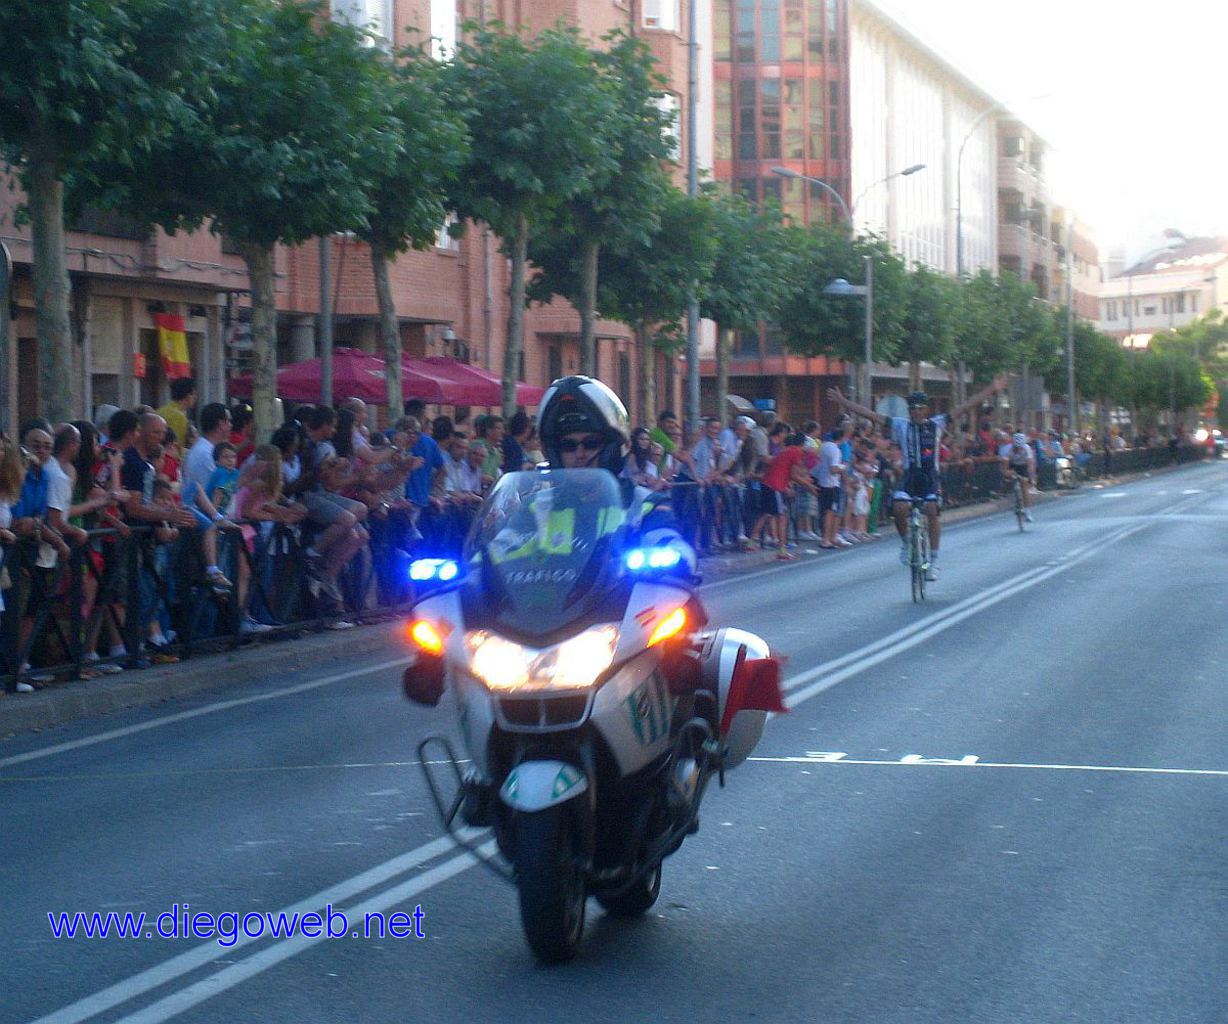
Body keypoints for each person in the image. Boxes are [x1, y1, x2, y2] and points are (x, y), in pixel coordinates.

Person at [828, 378, 1005, 580]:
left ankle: (933, 562)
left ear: (926, 410)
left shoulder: (937, 423)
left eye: (920, 408)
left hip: (930, 476)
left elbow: (966, 406)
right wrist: (844, 402)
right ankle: (906, 543)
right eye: (912, 408)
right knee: (899, 508)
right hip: (910, 475)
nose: (916, 412)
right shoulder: (900, 424)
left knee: (932, 511)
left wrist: (991, 388)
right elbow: (870, 414)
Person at [999, 431, 1036, 521]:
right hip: (1013, 465)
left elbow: (1030, 465)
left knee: (1024, 486)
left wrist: (1031, 478)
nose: (1019, 450)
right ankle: (1013, 497)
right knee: (1010, 479)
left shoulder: (1027, 449)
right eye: (1016, 448)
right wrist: (1006, 474)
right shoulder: (1009, 450)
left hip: (1023, 466)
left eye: (1020, 448)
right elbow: (1005, 466)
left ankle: (1027, 511)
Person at [156, 377, 197, 460]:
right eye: (194, 394)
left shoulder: (160, 410)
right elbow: (177, 445)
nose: (196, 397)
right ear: (188, 395)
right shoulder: (179, 417)